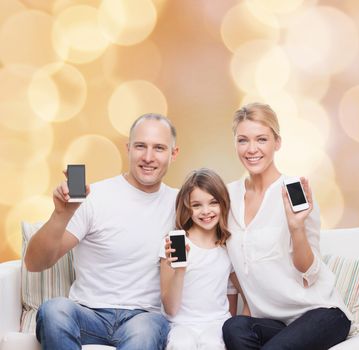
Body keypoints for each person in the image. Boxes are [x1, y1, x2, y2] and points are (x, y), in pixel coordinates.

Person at [24, 113, 179, 350]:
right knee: (53, 310)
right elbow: (34, 262)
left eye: (159, 148)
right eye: (140, 146)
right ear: (128, 149)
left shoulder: (182, 205)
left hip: (143, 317)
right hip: (88, 313)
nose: (148, 157)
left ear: (173, 154)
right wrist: (61, 214)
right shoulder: (95, 197)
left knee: (146, 331)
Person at [222, 103, 352, 350]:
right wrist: (248, 303)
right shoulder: (228, 196)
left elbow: (309, 273)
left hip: (320, 313)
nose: (251, 149)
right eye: (243, 140)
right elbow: (230, 264)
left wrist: (296, 227)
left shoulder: (293, 192)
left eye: (261, 139)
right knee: (234, 327)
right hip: (274, 323)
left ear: (277, 142)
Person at [160, 168, 249, 350]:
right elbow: (170, 309)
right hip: (180, 325)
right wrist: (180, 270)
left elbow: (242, 292)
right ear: (187, 207)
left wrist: (241, 321)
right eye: (197, 205)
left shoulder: (227, 247)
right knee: (181, 344)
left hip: (216, 324)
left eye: (213, 202)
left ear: (223, 204)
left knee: (212, 345)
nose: (206, 211)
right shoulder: (173, 244)